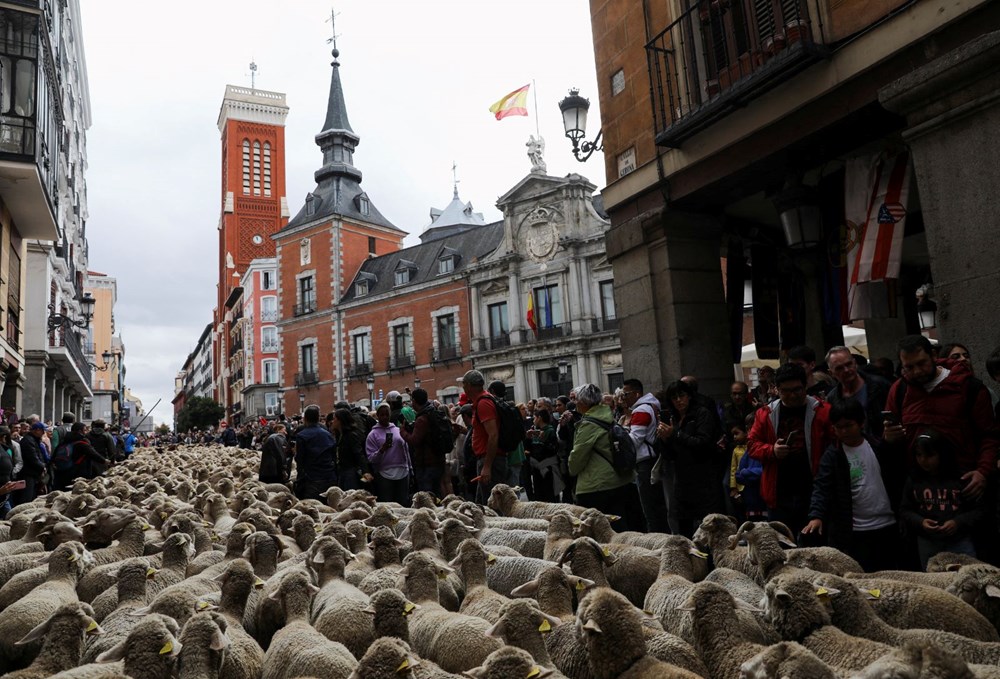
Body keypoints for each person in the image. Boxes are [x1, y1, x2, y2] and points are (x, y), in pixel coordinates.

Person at [801, 398, 901, 572]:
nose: (844, 431)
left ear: (861, 423)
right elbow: (822, 487)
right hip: (855, 532)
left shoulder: (878, 446)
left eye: (849, 425)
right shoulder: (832, 456)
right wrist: (816, 516)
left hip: (887, 525)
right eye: (839, 427)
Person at [748, 363, 834, 537]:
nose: (792, 395)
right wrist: (772, 450)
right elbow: (752, 446)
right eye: (786, 391)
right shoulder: (765, 414)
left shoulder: (823, 411)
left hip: (812, 491)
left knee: (813, 548)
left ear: (805, 387)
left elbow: (834, 445)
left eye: (797, 390)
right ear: (777, 389)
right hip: (778, 493)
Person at [899, 428, 983, 569]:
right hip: (927, 541)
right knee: (933, 584)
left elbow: (980, 510)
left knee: (968, 578)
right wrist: (921, 522)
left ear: (942, 454)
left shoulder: (961, 478)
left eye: (930, 455)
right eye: (919, 455)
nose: (923, 460)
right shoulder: (915, 480)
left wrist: (958, 522)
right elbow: (905, 510)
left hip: (959, 540)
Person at [568, 383, 644, 531]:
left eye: (576, 400)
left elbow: (577, 460)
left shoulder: (588, 425)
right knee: (627, 530)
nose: (574, 403)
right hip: (623, 480)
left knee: (602, 533)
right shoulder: (607, 416)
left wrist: (570, 466)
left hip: (598, 485)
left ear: (584, 402)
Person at [659, 380, 727, 537]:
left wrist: (675, 434)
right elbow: (669, 455)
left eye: (681, 396)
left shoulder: (702, 413)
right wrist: (664, 440)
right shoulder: (672, 418)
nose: (678, 401)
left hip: (704, 479)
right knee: (684, 531)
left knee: (710, 530)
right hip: (682, 481)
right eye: (674, 397)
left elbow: (702, 443)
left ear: (689, 396)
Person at [622, 378, 667, 533]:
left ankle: (656, 539)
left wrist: (621, 436)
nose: (623, 398)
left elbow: (635, 440)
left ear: (636, 393)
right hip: (651, 460)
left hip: (645, 463)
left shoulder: (641, 410)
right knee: (657, 506)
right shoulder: (651, 406)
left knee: (650, 508)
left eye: (626, 394)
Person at [825, 346, 891, 441]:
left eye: (849, 364)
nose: (846, 370)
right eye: (839, 368)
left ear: (855, 363)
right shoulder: (832, 398)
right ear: (831, 373)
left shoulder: (881, 386)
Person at [464, 370, 507, 503]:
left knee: (492, 506)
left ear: (470, 386)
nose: (464, 388)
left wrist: (487, 466)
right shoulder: (482, 401)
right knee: (481, 504)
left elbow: (493, 435)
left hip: (490, 461)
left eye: (464, 384)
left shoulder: (484, 403)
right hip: (487, 460)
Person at [400, 388, 445, 494]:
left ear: (414, 401)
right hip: (438, 460)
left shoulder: (422, 419)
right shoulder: (433, 411)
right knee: (437, 493)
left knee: (427, 497)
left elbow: (414, 440)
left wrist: (403, 432)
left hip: (426, 464)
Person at [366, 402, 410, 505]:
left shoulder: (398, 430)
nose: (385, 417)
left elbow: (406, 449)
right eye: (382, 414)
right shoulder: (372, 435)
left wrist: (410, 468)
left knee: (403, 503)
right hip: (384, 474)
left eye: (387, 414)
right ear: (377, 415)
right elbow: (371, 458)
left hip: (403, 471)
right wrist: (382, 450)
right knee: (388, 504)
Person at [292, 405, 338, 501]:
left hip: (311, 478)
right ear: (318, 418)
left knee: (312, 507)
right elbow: (334, 456)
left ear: (305, 419)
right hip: (329, 476)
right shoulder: (328, 434)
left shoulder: (302, 436)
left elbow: (300, 459)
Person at [329, 409, 371, 491]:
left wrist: (365, 471)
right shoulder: (339, 435)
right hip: (341, 470)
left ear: (340, 421)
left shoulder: (351, 435)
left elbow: (358, 453)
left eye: (334, 419)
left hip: (350, 472)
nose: (332, 421)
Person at [526, 408, 561, 502]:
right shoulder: (535, 431)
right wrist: (528, 438)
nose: (533, 421)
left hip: (548, 468)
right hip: (537, 468)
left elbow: (553, 450)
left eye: (534, 418)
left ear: (539, 418)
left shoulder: (550, 431)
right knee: (539, 495)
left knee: (550, 495)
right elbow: (530, 449)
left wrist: (543, 440)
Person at [12, 422, 46, 506]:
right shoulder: (28, 440)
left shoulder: (34, 440)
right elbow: (32, 457)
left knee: (32, 497)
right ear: (37, 430)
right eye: (42, 430)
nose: (44, 433)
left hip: (33, 473)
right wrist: (42, 467)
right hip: (28, 474)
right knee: (26, 497)